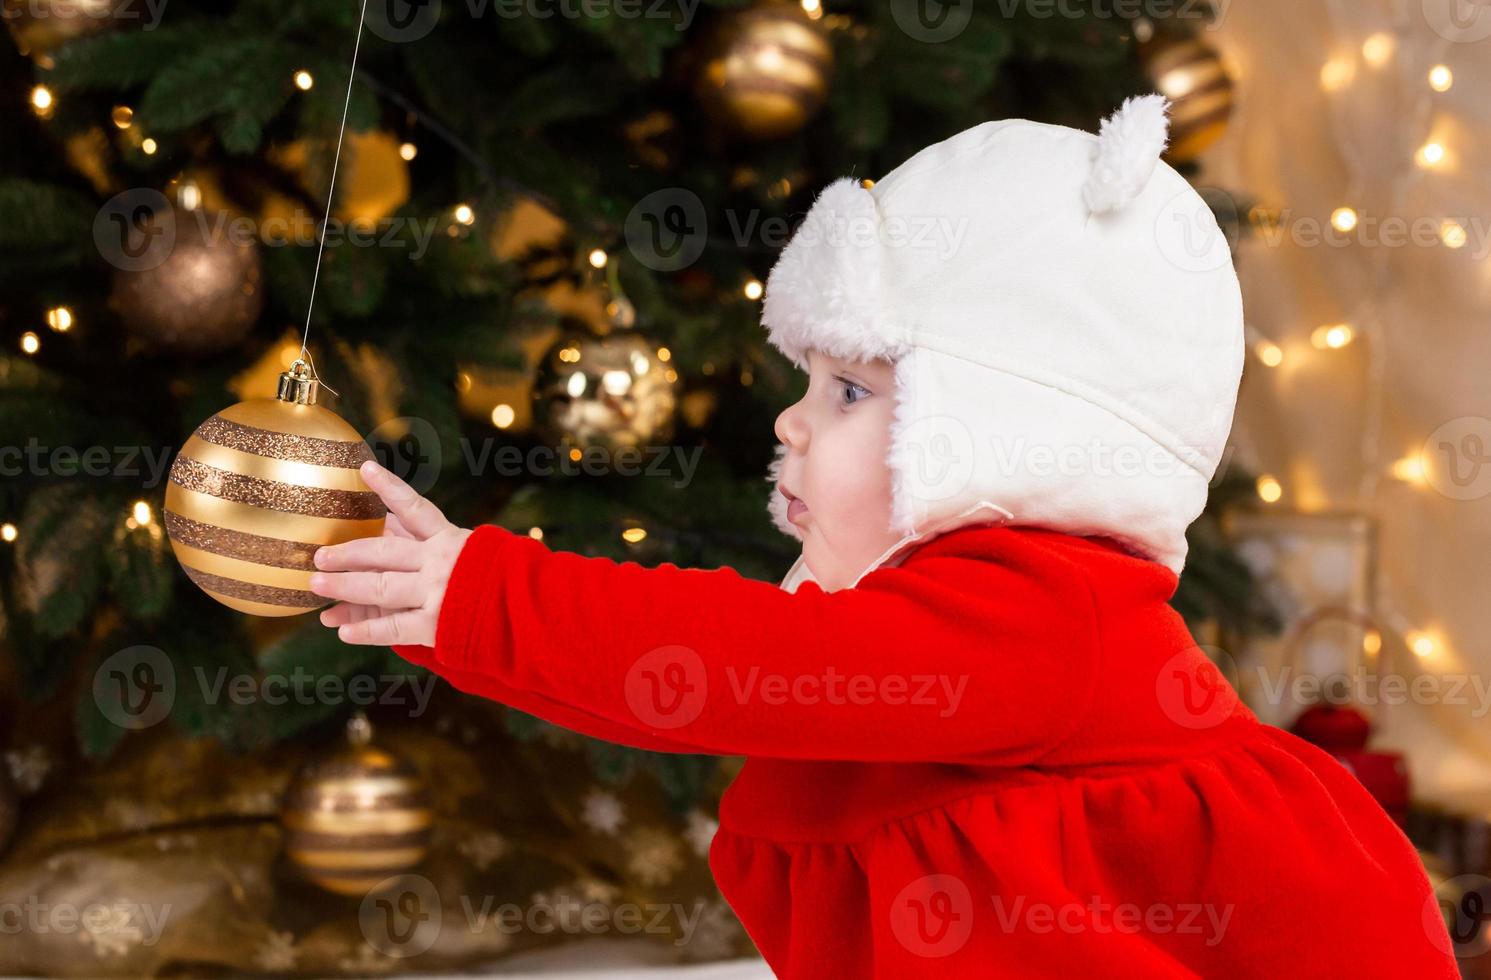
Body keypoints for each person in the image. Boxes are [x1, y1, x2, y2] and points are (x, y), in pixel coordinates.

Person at [309, 96, 1458, 977]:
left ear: (997, 434)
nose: (792, 423)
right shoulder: (936, 608)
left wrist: (489, 593)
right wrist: (450, 610)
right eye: (809, 380)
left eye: (851, 390)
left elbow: (729, 658)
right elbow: (681, 693)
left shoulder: (1041, 607)